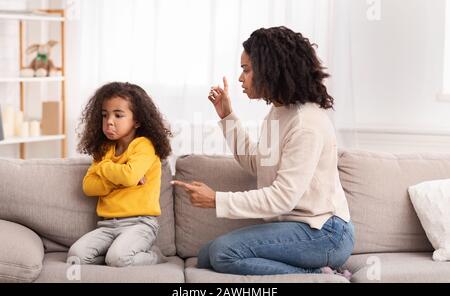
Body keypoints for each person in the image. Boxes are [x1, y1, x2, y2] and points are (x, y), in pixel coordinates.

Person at [172, 26, 354, 278]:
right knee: (206, 256)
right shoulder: (279, 112)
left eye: (246, 69)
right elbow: (257, 163)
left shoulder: (306, 124)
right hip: (296, 228)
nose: (240, 78)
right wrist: (227, 116)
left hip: (325, 233)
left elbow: (282, 198)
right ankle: (317, 271)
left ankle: (319, 276)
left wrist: (217, 199)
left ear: (270, 69)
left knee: (223, 253)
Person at [67, 82, 172, 267]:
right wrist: (120, 179)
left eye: (118, 115)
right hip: (107, 225)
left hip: (140, 224)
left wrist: (104, 169)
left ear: (137, 120)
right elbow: (89, 187)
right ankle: (113, 256)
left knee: (117, 258)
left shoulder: (144, 146)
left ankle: (155, 256)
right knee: (76, 256)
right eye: (105, 115)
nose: (109, 121)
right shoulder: (105, 149)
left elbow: (129, 176)